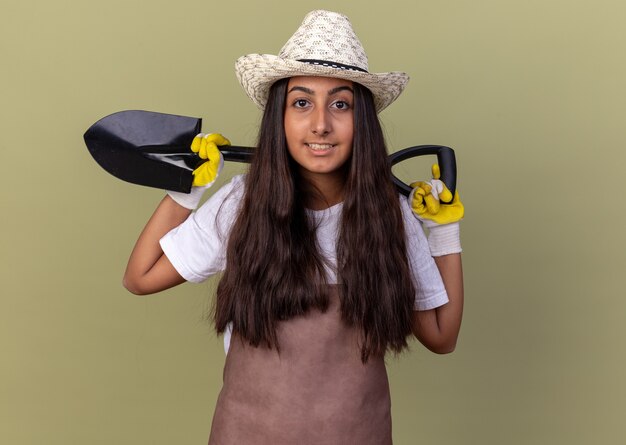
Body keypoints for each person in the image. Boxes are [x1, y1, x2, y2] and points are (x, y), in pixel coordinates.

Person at [123, 9, 464, 445]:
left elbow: (442, 335)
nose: (320, 123)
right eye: (301, 102)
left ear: (362, 121)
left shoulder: (390, 214)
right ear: (278, 119)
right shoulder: (241, 203)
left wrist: (444, 230)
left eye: (340, 104)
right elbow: (140, 277)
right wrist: (186, 187)